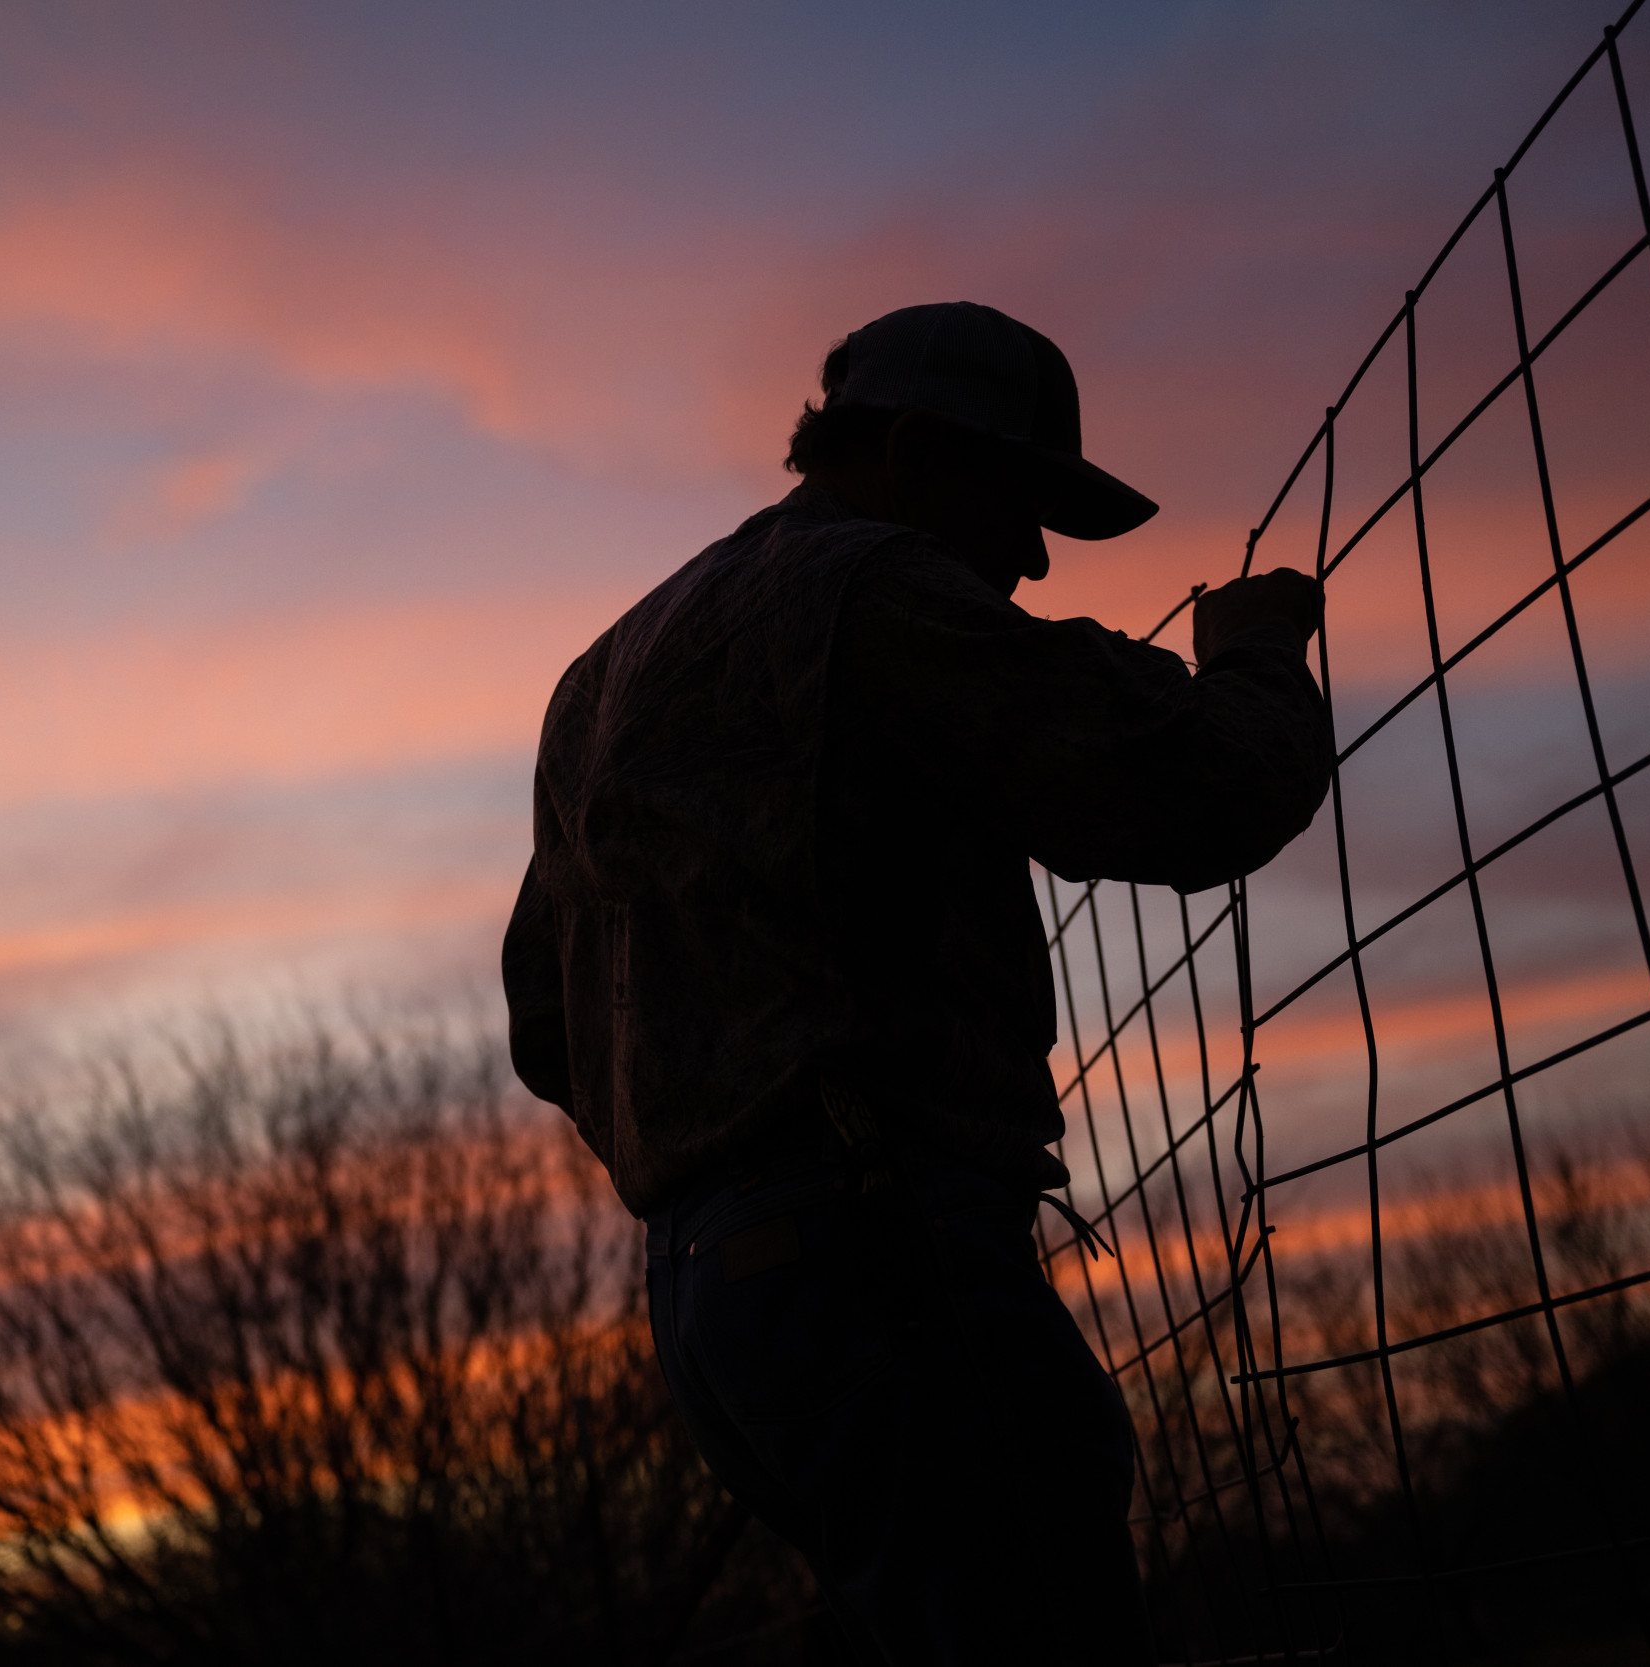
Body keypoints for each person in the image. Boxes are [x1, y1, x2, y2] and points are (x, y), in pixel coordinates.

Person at [500, 302, 1333, 1664]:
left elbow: (549, 1022)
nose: (1035, 555)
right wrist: (1254, 657)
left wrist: (727, 1128)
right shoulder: (876, 594)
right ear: (913, 449)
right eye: (1021, 500)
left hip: (713, 1304)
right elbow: (1199, 787)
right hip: (880, 1261)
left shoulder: (601, 679)